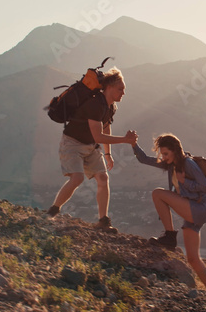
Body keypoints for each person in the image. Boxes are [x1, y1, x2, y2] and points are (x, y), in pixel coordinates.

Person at [44, 67, 137, 232]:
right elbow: (98, 137)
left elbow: (105, 129)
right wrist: (125, 140)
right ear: (108, 87)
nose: (123, 93)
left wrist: (108, 154)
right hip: (72, 143)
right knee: (77, 179)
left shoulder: (110, 106)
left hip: (90, 147)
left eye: (124, 89)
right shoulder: (95, 104)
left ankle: (103, 220)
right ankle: (53, 210)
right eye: (120, 89)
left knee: (103, 178)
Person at [130, 133, 206, 298]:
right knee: (193, 259)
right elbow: (144, 159)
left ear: (175, 151)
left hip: (199, 208)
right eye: (162, 154)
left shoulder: (188, 164)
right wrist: (133, 144)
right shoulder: (171, 164)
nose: (163, 158)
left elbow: (205, 187)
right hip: (193, 211)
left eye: (166, 154)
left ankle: (170, 236)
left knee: (158, 194)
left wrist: (184, 181)